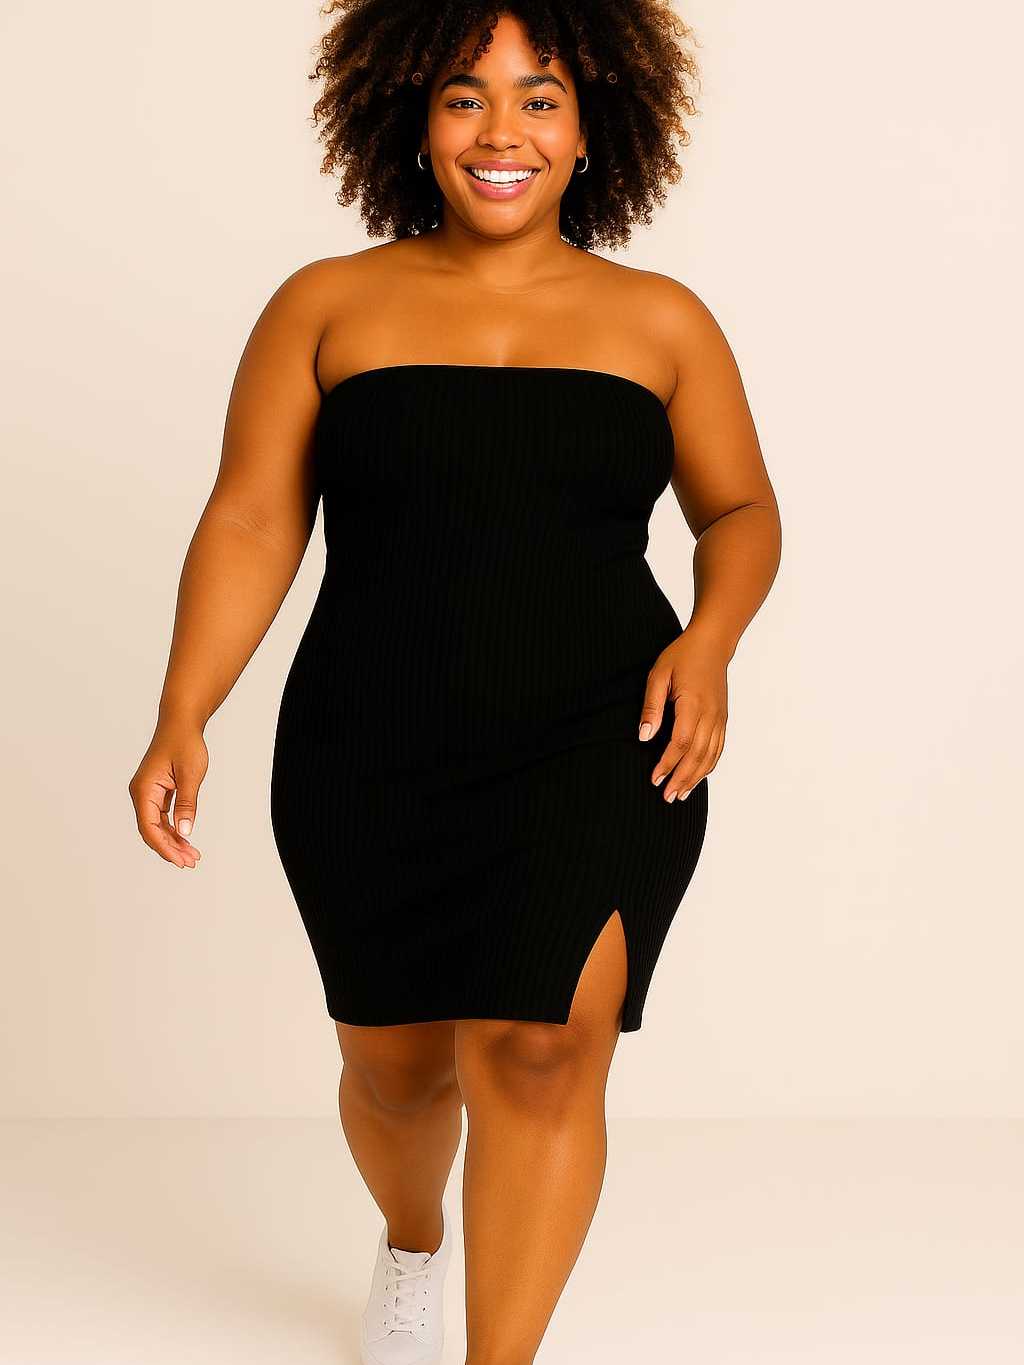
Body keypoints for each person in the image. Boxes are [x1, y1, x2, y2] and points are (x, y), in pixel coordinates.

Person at [127, 5, 782, 1363]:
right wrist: (184, 707)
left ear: (592, 129)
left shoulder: (661, 320)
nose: (503, 131)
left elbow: (740, 511)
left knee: (542, 1052)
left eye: (541, 98)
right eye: (465, 96)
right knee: (396, 1068)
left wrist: (711, 639)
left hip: (606, 728)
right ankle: (413, 1239)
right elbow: (253, 516)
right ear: (412, 123)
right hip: (370, 735)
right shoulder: (325, 304)